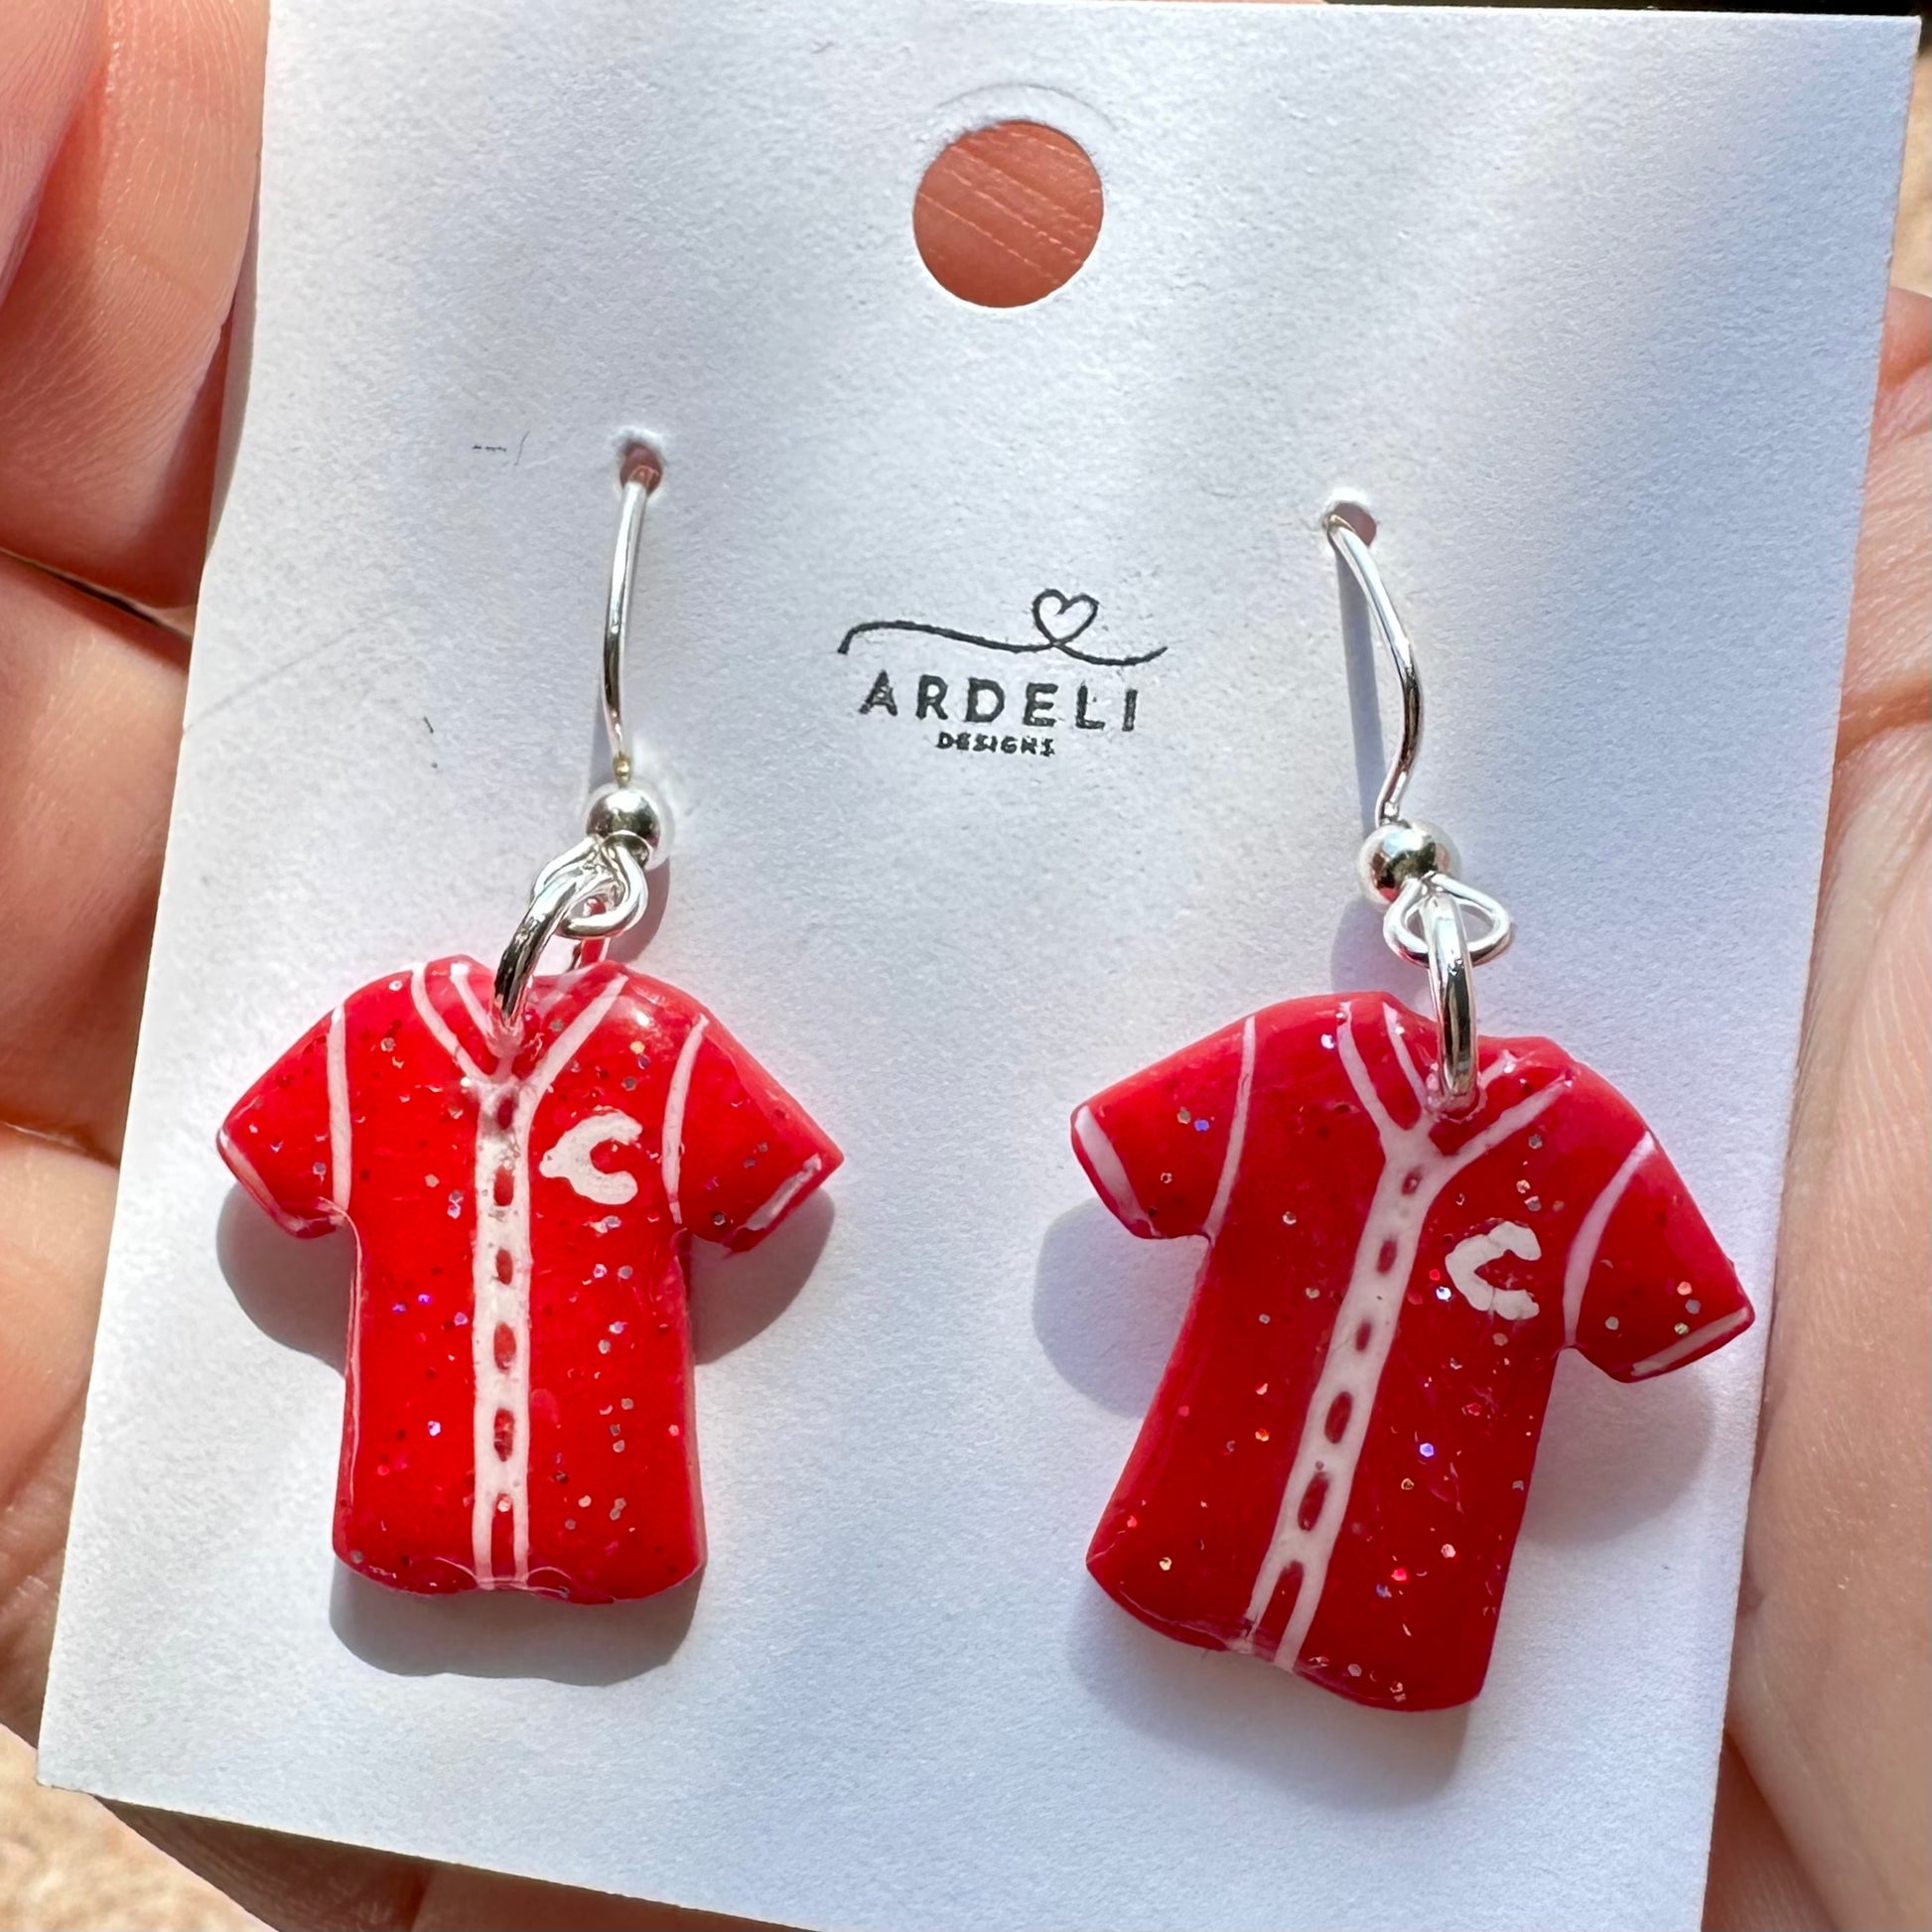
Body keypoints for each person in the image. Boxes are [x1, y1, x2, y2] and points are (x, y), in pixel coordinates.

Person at [0, 4, 1922, 1926]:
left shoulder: (1542, 1141)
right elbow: (311, 1171)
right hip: (466, 1508)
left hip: (1380, 1602)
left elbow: (1662, 1319)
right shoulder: (406, 1047)